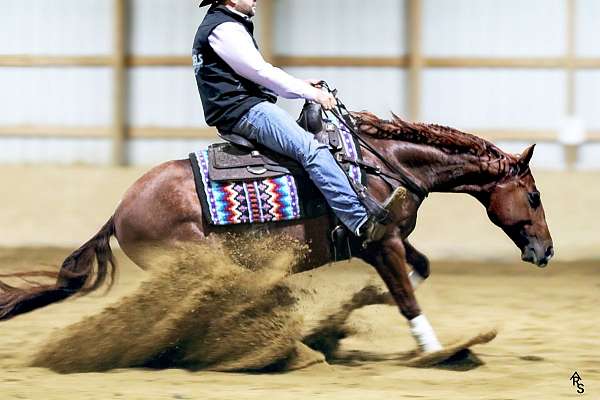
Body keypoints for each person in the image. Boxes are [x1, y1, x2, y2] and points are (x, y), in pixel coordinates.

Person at [193, 0, 400, 241]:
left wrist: (300, 85)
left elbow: (255, 73)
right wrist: (312, 94)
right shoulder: (224, 28)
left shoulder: (223, 24)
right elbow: (261, 72)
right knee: (312, 151)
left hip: (240, 109)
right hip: (246, 111)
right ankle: (360, 222)